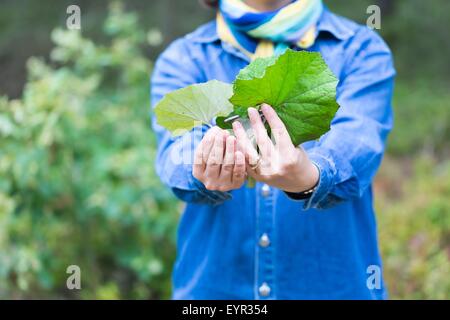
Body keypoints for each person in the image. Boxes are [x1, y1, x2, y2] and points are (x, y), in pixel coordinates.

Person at [151, 0, 395, 299]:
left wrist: (310, 176)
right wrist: (202, 168)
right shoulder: (183, 58)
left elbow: (358, 146)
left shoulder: (360, 49)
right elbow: (176, 156)